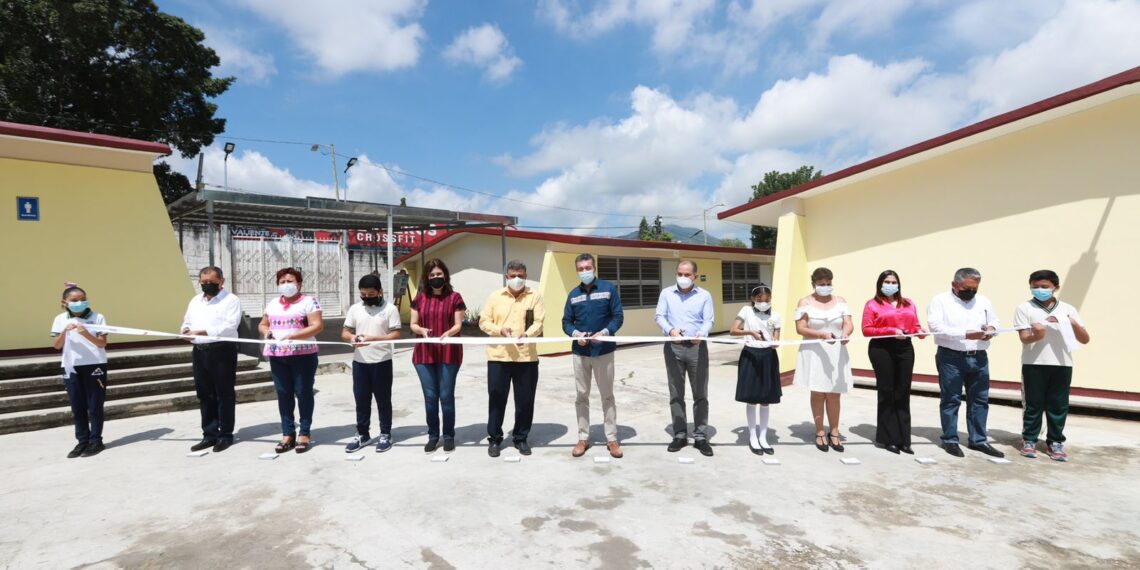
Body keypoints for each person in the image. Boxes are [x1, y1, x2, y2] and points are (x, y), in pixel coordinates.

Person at [1014, 270, 1090, 461]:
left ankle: (1055, 441)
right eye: (1035, 286)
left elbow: (1085, 339)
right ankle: (1029, 439)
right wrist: (1038, 334)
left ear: (1055, 287)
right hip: (1034, 363)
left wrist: (1070, 322)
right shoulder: (1024, 308)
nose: (1040, 290)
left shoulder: (1068, 309)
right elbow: (1024, 338)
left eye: (1045, 287)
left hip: (1062, 363)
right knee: (1033, 403)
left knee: (1058, 404)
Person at [927, 267, 1003, 458]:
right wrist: (966, 333)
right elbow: (936, 327)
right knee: (951, 399)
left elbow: (995, 321)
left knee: (980, 399)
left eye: (974, 289)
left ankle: (978, 440)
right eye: (966, 288)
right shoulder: (940, 301)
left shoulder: (983, 301)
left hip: (979, 356)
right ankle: (950, 439)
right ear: (954, 285)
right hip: (951, 357)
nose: (971, 293)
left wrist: (992, 328)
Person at [479, 260, 545, 457]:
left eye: (521, 275)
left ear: (526, 276)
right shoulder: (495, 296)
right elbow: (484, 321)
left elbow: (539, 322)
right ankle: (495, 439)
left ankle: (521, 437)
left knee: (525, 400)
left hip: (526, 358)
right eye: (513, 275)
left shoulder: (535, 296)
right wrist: (499, 330)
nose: (517, 279)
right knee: (497, 398)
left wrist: (529, 334)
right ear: (506, 276)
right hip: (499, 355)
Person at [562, 253, 625, 459]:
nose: (584, 272)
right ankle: (583, 437)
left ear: (594, 268)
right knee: (582, 396)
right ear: (577, 270)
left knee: (607, 395)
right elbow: (566, 321)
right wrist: (575, 334)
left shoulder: (608, 289)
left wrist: (605, 333)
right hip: (580, 353)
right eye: (580, 269)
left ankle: (612, 439)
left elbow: (618, 317)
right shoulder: (573, 295)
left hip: (603, 352)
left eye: (587, 268)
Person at [258, 267, 324, 454]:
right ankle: (288, 433)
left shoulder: (309, 302)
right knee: (283, 393)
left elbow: (317, 326)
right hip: (277, 356)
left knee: (303, 392)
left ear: (299, 283)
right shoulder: (272, 304)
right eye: (282, 282)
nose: (286, 285)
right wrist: (266, 332)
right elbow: (263, 323)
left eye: (290, 281)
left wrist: (293, 335)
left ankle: (304, 432)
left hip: (303, 355)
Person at [861, 270, 927, 455]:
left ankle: (904, 439)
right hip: (882, 349)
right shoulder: (872, 304)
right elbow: (867, 330)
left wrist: (920, 331)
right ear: (880, 284)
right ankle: (887, 438)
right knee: (887, 391)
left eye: (893, 281)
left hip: (905, 348)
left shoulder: (908, 303)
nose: (890, 284)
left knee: (903, 391)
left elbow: (914, 325)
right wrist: (890, 330)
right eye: (887, 281)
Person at [655, 260, 715, 457]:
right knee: (676, 393)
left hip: (697, 348)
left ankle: (700, 436)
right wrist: (671, 330)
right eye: (680, 273)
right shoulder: (666, 293)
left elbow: (709, 320)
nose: (683, 277)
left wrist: (702, 333)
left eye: (687, 274)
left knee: (700, 394)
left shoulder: (704, 295)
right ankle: (680, 434)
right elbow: (660, 316)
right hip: (674, 348)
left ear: (695, 276)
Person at [180, 266, 243, 453]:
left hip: (222, 350)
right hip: (200, 351)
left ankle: (225, 435)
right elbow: (187, 321)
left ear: (221, 282)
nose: (207, 286)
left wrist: (204, 331)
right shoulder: (195, 301)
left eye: (212, 283)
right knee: (205, 393)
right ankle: (209, 434)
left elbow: (230, 326)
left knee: (224, 393)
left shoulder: (231, 301)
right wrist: (185, 331)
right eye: (204, 283)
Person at [793, 267, 854, 453]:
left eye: (828, 284)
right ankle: (820, 431)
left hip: (837, 351)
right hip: (815, 351)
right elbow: (800, 328)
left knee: (834, 393)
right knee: (818, 392)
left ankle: (834, 432)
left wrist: (846, 333)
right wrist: (820, 334)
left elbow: (848, 323)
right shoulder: (805, 302)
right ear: (814, 284)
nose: (825, 287)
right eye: (821, 284)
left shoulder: (841, 301)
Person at [409, 259, 466, 453]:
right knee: (430, 397)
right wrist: (421, 330)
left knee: (446, 395)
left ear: (445, 275)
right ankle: (433, 436)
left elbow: (459, 324)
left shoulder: (455, 298)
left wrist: (449, 332)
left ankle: (448, 435)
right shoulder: (419, 298)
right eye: (432, 275)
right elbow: (413, 324)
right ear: (426, 277)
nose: (435, 278)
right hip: (424, 354)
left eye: (439, 274)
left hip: (449, 353)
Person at [341, 275, 402, 453]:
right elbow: (345, 332)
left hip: (381, 361)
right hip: (360, 361)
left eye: (371, 293)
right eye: (363, 294)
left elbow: (396, 334)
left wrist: (374, 339)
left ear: (380, 291)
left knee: (383, 400)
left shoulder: (390, 309)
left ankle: (385, 434)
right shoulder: (355, 309)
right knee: (361, 399)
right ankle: (363, 434)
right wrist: (351, 337)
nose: (367, 297)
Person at [51, 284, 109, 458]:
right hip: (71, 366)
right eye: (75, 300)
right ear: (64, 302)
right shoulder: (60, 319)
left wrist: (85, 333)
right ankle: (82, 441)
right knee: (77, 405)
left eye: (83, 299)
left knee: (94, 405)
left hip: (95, 365)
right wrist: (64, 332)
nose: (80, 303)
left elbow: (102, 343)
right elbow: (56, 345)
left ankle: (96, 440)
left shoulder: (97, 317)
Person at [729, 285, 782, 456]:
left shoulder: (776, 315)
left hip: (768, 356)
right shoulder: (746, 310)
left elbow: (777, 338)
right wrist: (750, 332)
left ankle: (763, 436)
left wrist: (774, 341)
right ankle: (752, 436)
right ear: (753, 299)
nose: (763, 302)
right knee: (752, 397)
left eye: (766, 299)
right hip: (750, 354)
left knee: (766, 398)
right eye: (759, 299)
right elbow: (733, 330)